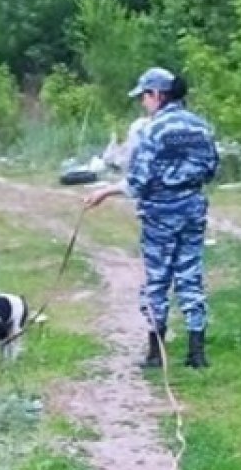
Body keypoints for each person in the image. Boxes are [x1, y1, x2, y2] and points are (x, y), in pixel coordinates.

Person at [83, 67, 220, 369]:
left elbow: (138, 182)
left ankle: (156, 353)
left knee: (157, 280)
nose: (143, 102)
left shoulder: (152, 130)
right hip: (193, 209)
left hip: (159, 214)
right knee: (190, 276)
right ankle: (197, 353)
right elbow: (211, 170)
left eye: (144, 96)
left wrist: (106, 191)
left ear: (157, 94)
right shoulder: (201, 127)